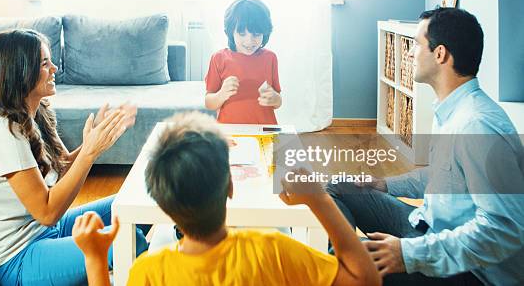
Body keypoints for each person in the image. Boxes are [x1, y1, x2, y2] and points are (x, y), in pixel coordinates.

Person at [328, 8, 524, 285]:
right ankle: (350, 268)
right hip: (427, 229)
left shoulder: (477, 126)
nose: (410, 53)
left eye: (417, 44)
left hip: (470, 271)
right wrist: (384, 184)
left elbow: (504, 229)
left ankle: (349, 273)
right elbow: (445, 175)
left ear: (440, 54)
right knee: (338, 186)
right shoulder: (451, 109)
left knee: (343, 265)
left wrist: (408, 254)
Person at [73, 112, 381, 286]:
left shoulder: (149, 273)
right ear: (230, 187)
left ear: (163, 205)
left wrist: (96, 258)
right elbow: (365, 279)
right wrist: (317, 198)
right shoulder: (273, 252)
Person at [0, 29, 149, 285]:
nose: (55, 68)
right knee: (129, 239)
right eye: (45, 63)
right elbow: (47, 211)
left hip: (44, 232)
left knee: (139, 201)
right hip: (10, 262)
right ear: (19, 72)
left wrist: (95, 140)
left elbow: (60, 168)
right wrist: (90, 152)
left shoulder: (34, 115)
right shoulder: (3, 131)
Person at [205, 0, 282, 124]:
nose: (249, 41)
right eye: (242, 34)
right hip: (230, 131)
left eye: (256, 34)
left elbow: (278, 101)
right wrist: (221, 95)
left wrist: (275, 99)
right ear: (231, 32)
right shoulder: (218, 59)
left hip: (264, 131)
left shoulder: (270, 58)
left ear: (265, 33)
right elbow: (209, 102)